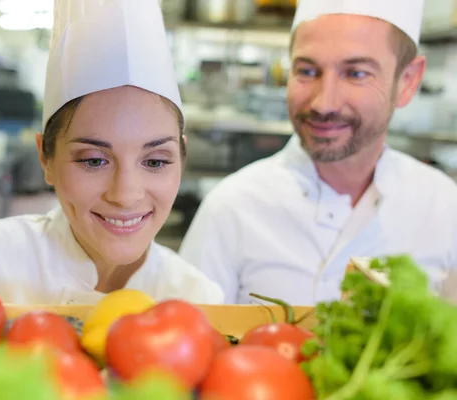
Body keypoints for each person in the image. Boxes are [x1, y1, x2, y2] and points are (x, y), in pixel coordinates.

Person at [0, 0, 224, 306]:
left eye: (156, 161)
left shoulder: (198, 300)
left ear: (182, 157)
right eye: (94, 160)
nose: (126, 193)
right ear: (45, 159)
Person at [179, 0, 457, 306]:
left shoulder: (444, 207)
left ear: (407, 81)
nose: (324, 104)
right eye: (307, 71)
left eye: (356, 73)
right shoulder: (232, 207)